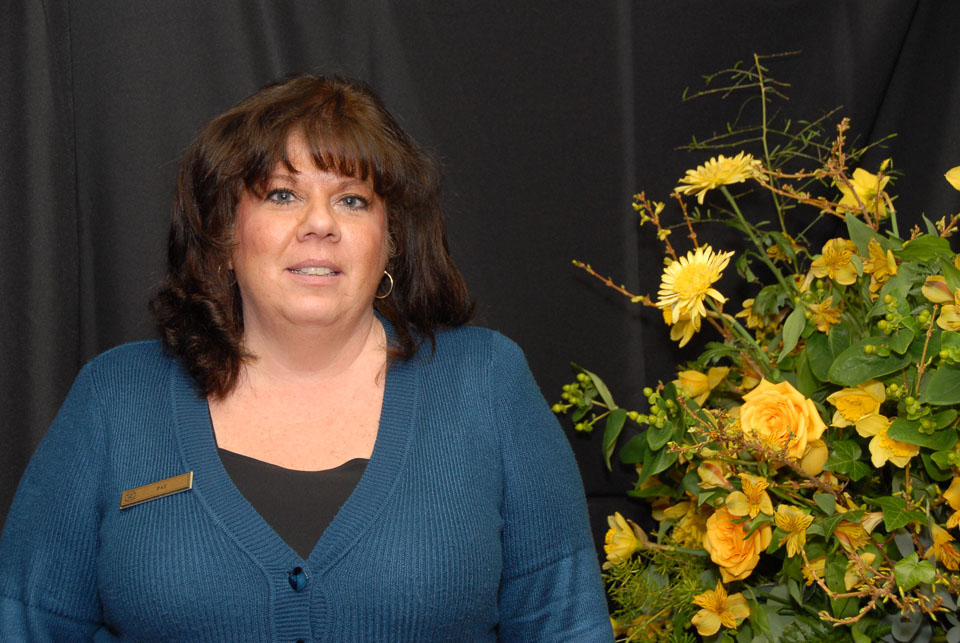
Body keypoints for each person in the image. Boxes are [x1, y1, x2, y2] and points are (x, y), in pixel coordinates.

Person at [0, 75, 612, 641]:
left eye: (352, 201)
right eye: (282, 194)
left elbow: (567, 627)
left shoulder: (486, 383)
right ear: (223, 236)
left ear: (391, 241)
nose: (320, 224)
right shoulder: (115, 397)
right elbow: (23, 622)